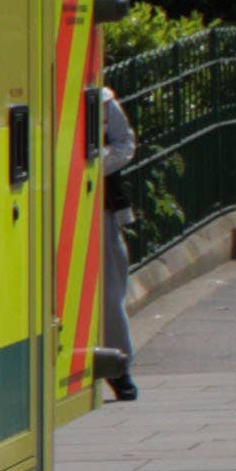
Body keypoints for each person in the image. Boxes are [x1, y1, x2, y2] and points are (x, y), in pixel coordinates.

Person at [94, 80, 139, 399]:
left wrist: (95, 163)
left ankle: (118, 365)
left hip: (99, 207)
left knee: (110, 290)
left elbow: (125, 145)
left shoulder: (102, 98)